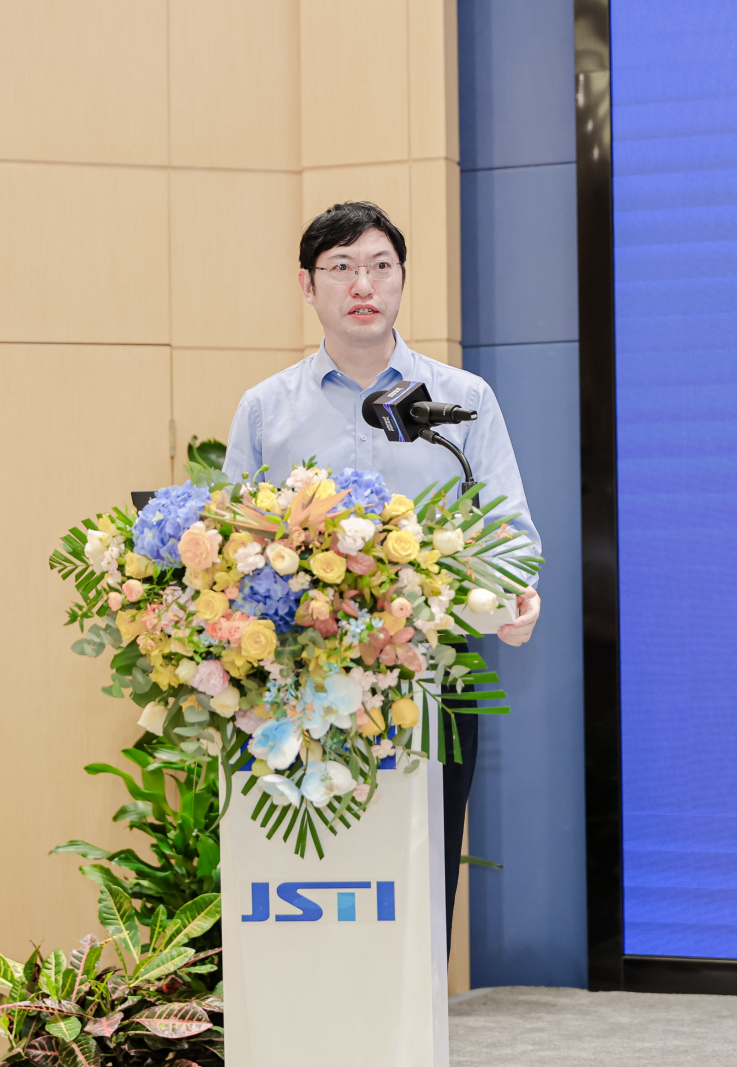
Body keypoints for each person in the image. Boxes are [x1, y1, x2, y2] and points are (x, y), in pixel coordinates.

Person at [222, 201, 540, 952]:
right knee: (314, 883)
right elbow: (234, 546)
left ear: (401, 278)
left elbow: (510, 533)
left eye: (379, 266)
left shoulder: (463, 402)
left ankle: (413, 1021)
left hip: (434, 680)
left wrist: (515, 594)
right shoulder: (265, 410)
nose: (362, 284)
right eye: (341, 267)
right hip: (299, 685)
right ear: (308, 285)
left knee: (419, 886)